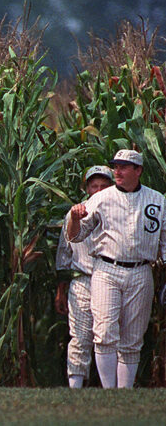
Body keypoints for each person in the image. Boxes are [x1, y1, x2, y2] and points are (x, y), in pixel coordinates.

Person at [68, 150, 166, 388]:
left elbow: (164, 241)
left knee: (132, 339)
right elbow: (76, 236)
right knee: (104, 333)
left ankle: (125, 393)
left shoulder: (157, 200)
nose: (118, 171)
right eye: (116, 166)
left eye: (124, 167)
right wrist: (74, 217)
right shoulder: (102, 198)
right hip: (106, 269)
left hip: (142, 271)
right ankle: (108, 392)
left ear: (138, 170)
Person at [55, 165, 114, 388]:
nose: (98, 190)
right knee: (79, 336)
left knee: (108, 335)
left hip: (110, 278)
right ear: (87, 188)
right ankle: (75, 387)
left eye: (103, 186)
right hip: (82, 279)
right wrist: (61, 289)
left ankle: (112, 388)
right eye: (94, 185)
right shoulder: (74, 214)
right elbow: (64, 254)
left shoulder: (117, 212)